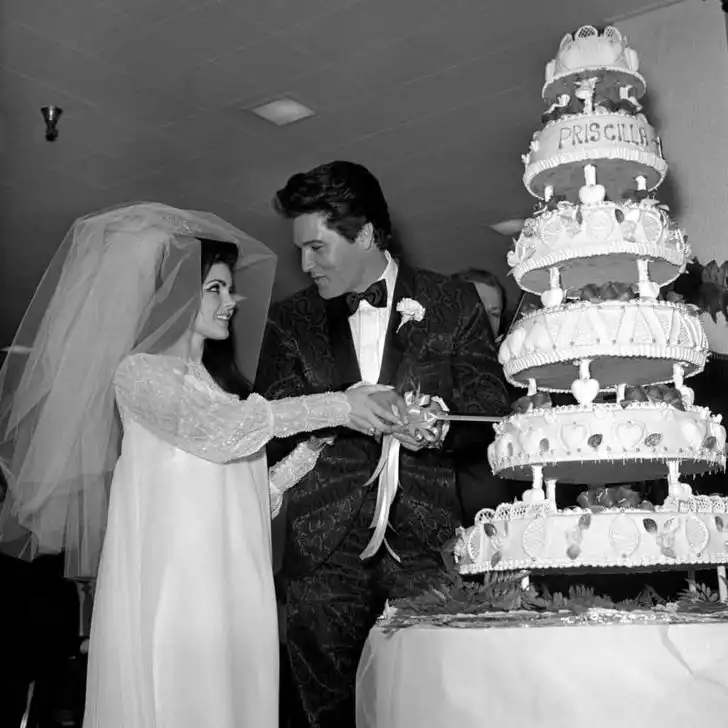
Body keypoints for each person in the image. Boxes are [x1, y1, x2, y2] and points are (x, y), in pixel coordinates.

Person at [0, 203, 404, 728]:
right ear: (175, 295)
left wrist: (312, 448)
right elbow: (222, 434)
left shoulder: (219, 389)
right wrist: (336, 404)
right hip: (183, 586)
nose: (231, 300)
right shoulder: (139, 375)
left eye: (227, 288)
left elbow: (250, 492)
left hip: (234, 579)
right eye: (215, 288)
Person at [255, 161, 511, 728]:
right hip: (323, 547)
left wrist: (442, 427)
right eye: (301, 249)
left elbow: (492, 411)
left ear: (366, 233)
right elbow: (270, 430)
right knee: (322, 708)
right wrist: (337, 414)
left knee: (428, 703)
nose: (305, 264)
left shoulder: (452, 301)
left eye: (318, 248)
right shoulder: (287, 321)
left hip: (425, 543)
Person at [454, 268, 519, 524]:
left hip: (500, 521)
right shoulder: (424, 366)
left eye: (493, 313)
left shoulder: (516, 373)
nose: (484, 321)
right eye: (475, 308)